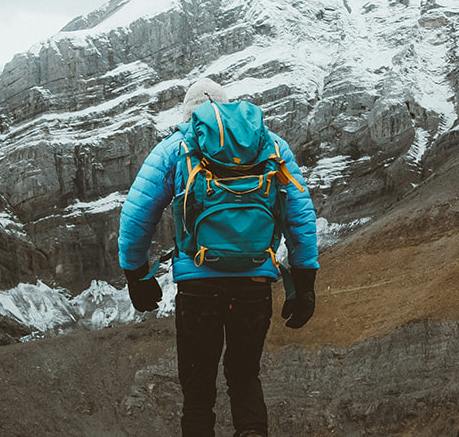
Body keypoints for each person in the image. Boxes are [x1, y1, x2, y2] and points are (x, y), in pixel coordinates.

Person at [117, 78, 319, 437]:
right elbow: (300, 214)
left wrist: (136, 274)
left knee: (198, 393)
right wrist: (304, 283)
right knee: (244, 378)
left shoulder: (176, 147)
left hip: (198, 286)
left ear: (189, 113)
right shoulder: (271, 145)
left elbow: (136, 214)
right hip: (254, 283)